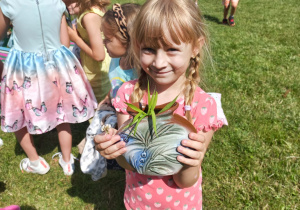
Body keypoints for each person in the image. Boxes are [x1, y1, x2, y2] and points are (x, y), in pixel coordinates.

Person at [94, 0, 226, 209]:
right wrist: (115, 150)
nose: (159, 62)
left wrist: (191, 161)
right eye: (149, 49)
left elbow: (185, 180)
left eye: (172, 49)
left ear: (195, 47)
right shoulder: (128, 95)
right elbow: (130, 162)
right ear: (137, 45)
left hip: (182, 204)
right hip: (138, 202)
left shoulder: (202, 105)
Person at [0, 0, 97, 175]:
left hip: (24, 66)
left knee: (18, 111)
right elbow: (65, 43)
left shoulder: (9, 3)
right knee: (62, 110)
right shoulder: (57, 2)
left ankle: (35, 161)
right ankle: (67, 161)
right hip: (57, 62)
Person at [80, 3, 141, 181]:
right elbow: (115, 83)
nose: (104, 43)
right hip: (115, 110)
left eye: (108, 39)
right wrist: (108, 96)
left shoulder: (138, 73)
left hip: (129, 122)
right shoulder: (117, 59)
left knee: (127, 156)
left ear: (127, 39)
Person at [67, 0, 111, 104]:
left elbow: (99, 55)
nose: (67, 5)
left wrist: (76, 38)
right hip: (96, 67)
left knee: (98, 107)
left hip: (97, 72)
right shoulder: (92, 10)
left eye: (71, 2)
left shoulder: (89, 17)